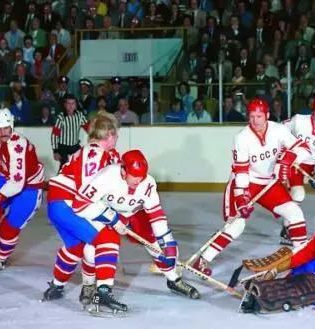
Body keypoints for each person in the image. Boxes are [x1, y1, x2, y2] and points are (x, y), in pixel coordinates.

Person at [191, 98, 312, 276]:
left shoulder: (279, 130)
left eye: (259, 116)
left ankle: (301, 260)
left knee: (295, 213)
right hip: (245, 183)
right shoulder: (242, 137)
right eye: (252, 116)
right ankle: (202, 260)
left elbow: (305, 150)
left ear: (267, 116)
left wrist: (288, 158)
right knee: (236, 226)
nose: (255, 121)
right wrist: (241, 198)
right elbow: (241, 171)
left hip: (268, 183)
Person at [73, 150, 200, 300]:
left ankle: (174, 280)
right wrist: (113, 219)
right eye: (134, 176)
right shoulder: (106, 177)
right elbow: (79, 205)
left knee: (160, 248)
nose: (139, 181)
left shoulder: (148, 183)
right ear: (123, 169)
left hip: (135, 214)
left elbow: (156, 215)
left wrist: (167, 243)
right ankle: (88, 284)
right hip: (107, 213)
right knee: (92, 251)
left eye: (142, 176)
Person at [42, 113, 125, 316]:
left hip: (58, 205)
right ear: (111, 134)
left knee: (76, 246)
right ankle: (100, 290)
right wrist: (113, 217)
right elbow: (87, 192)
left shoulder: (85, 151)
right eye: (116, 135)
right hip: (69, 204)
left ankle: (56, 285)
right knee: (107, 237)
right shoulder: (96, 153)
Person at [0, 108, 45, 276]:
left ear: (12, 126)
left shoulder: (17, 145)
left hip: (28, 186)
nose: (2, 132)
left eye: (6, 128)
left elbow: (16, 184)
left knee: (9, 228)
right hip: (5, 177)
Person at [279, 98, 315, 245]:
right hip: (297, 162)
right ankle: (287, 228)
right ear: (313, 111)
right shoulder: (299, 120)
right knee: (298, 194)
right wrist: (283, 151)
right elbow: (279, 130)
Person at [51, 94, 88, 171]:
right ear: (65, 105)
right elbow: (54, 135)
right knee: (65, 166)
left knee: (79, 165)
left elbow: (88, 128)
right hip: (63, 147)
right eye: (68, 103)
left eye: (73, 103)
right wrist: (55, 151)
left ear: (76, 105)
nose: (71, 106)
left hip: (75, 146)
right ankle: (58, 181)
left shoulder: (80, 115)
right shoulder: (61, 117)